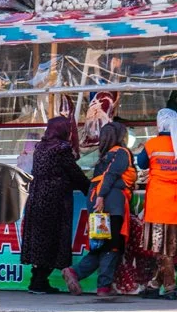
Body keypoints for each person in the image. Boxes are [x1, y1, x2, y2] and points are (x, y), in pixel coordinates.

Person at [62, 121, 135, 298]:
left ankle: (75, 273)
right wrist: (102, 196)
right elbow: (111, 176)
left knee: (101, 243)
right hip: (111, 203)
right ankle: (103, 287)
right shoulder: (122, 153)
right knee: (113, 245)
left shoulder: (104, 156)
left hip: (95, 200)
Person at [22, 115, 89, 294]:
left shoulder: (40, 147)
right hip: (54, 200)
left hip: (36, 196)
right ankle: (39, 281)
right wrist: (90, 189)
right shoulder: (61, 149)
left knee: (40, 240)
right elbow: (74, 173)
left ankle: (37, 280)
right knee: (53, 240)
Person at [139, 107, 177, 297]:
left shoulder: (152, 144)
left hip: (158, 203)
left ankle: (170, 288)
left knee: (161, 248)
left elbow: (141, 164)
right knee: (170, 248)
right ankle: (153, 286)